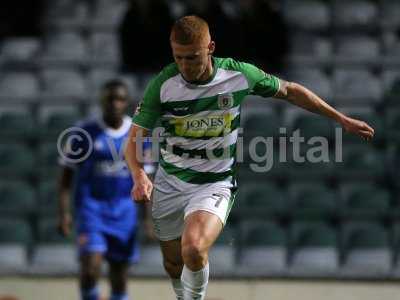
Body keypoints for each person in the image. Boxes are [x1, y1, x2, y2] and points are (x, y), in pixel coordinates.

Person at [124, 16, 375, 300]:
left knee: (193, 249)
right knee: (173, 263)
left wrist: (340, 118)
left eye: (192, 57)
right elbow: (134, 138)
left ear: (210, 48)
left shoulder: (238, 75)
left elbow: (290, 91)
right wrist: (139, 174)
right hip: (170, 182)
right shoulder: (164, 84)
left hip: (214, 183)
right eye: (178, 57)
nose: (184, 66)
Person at [58, 79, 152, 300]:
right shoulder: (84, 132)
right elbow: (65, 177)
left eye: (119, 99)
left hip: (124, 211)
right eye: (110, 99)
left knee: (119, 276)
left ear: (126, 102)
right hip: (92, 209)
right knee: (91, 267)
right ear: (102, 101)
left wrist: (149, 220)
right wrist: (64, 213)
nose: (114, 103)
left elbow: (147, 181)